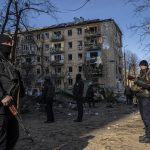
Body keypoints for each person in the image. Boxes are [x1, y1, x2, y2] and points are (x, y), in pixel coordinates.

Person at [0, 34, 20, 150]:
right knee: (1, 140)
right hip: (1, 106)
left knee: (14, 135)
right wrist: (2, 96)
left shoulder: (8, 61)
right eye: (6, 43)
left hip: (11, 106)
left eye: (10, 44)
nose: (9, 46)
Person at [133, 60, 150, 143]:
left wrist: (138, 82)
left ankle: (149, 137)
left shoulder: (149, 74)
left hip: (146, 98)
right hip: (140, 97)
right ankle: (147, 134)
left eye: (143, 65)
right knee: (144, 118)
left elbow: (148, 85)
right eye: (141, 65)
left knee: (147, 118)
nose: (142, 67)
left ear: (146, 66)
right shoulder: (141, 74)